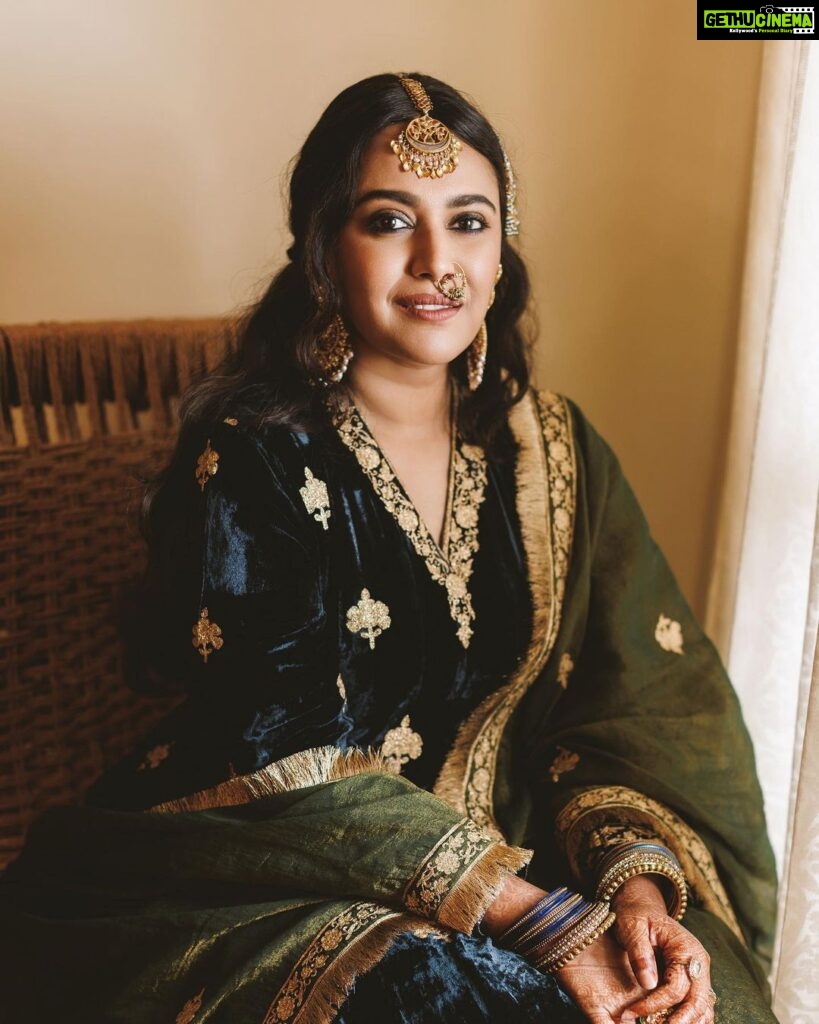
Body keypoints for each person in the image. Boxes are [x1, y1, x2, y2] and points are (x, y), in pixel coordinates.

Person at [0, 73, 778, 1024]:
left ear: (501, 248)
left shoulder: (556, 452)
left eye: (468, 222)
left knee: (695, 992)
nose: (436, 263)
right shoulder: (252, 456)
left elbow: (638, 715)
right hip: (273, 868)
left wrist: (633, 902)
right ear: (323, 249)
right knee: (437, 997)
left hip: (530, 853)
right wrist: (545, 924)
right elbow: (277, 747)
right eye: (387, 221)